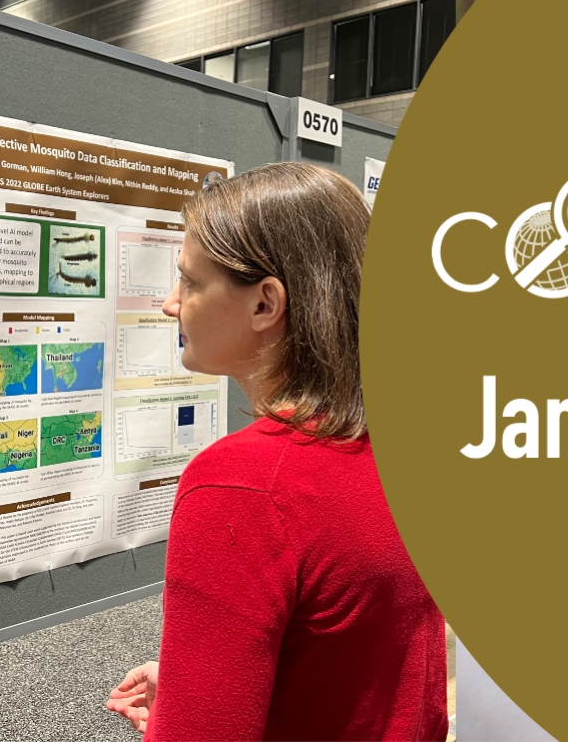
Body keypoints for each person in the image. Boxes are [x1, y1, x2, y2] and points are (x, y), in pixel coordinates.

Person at [105, 163, 449, 741]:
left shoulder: (243, 484)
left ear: (265, 303)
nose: (171, 304)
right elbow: (371, 666)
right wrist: (204, 685)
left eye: (190, 282)